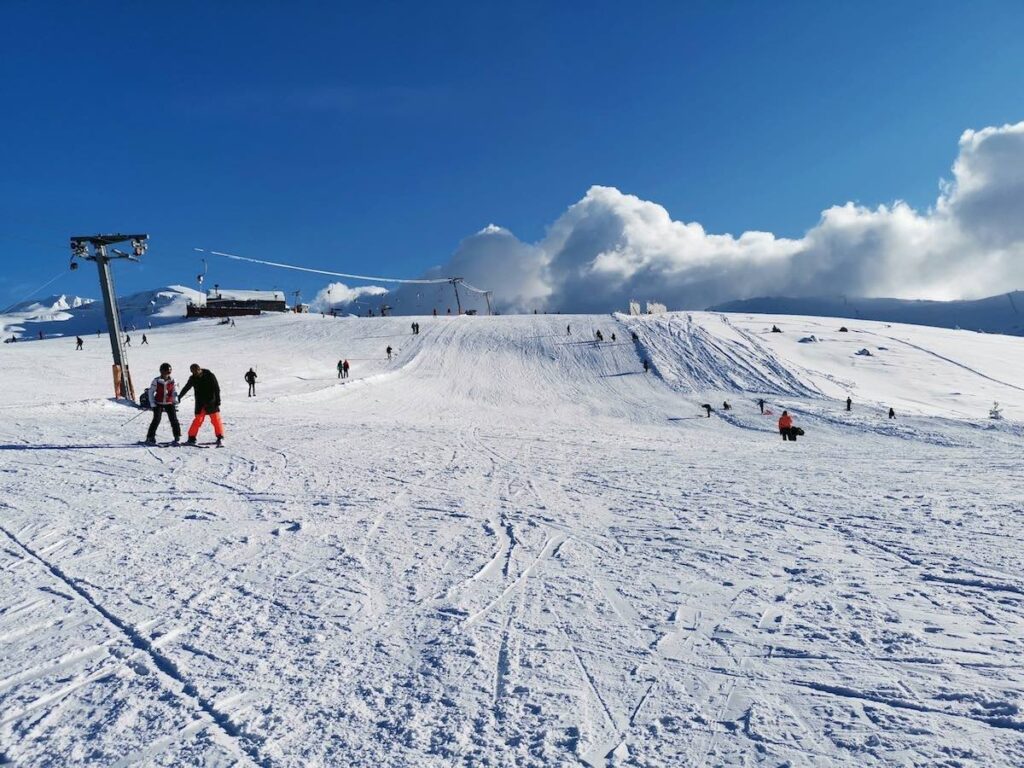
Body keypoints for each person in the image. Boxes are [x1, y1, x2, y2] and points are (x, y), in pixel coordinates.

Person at [179, 363, 224, 446]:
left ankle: (220, 437)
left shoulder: (210, 375)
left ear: (200, 369)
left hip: (211, 401)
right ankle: (191, 437)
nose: (196, 373)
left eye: (197, 371)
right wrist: (179, 397)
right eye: (193, 372)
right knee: (198, 420)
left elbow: (216, 388)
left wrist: (218, 400)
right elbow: (186, 388)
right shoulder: (193, 378)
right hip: (200, 403)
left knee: (216, 420)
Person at [145, 363, 181, 445]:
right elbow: (151, 392)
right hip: (158, 402)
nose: (167, 374)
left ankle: (177, 435)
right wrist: (152, 402)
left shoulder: (173, 380)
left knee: (174, 420)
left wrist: (175, 398)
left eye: (169, 372)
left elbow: (175, 390)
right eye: (165, 372)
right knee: (156, 420)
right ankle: (150, 436)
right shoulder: (156, 380)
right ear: (161, 372)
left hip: (169, 402)